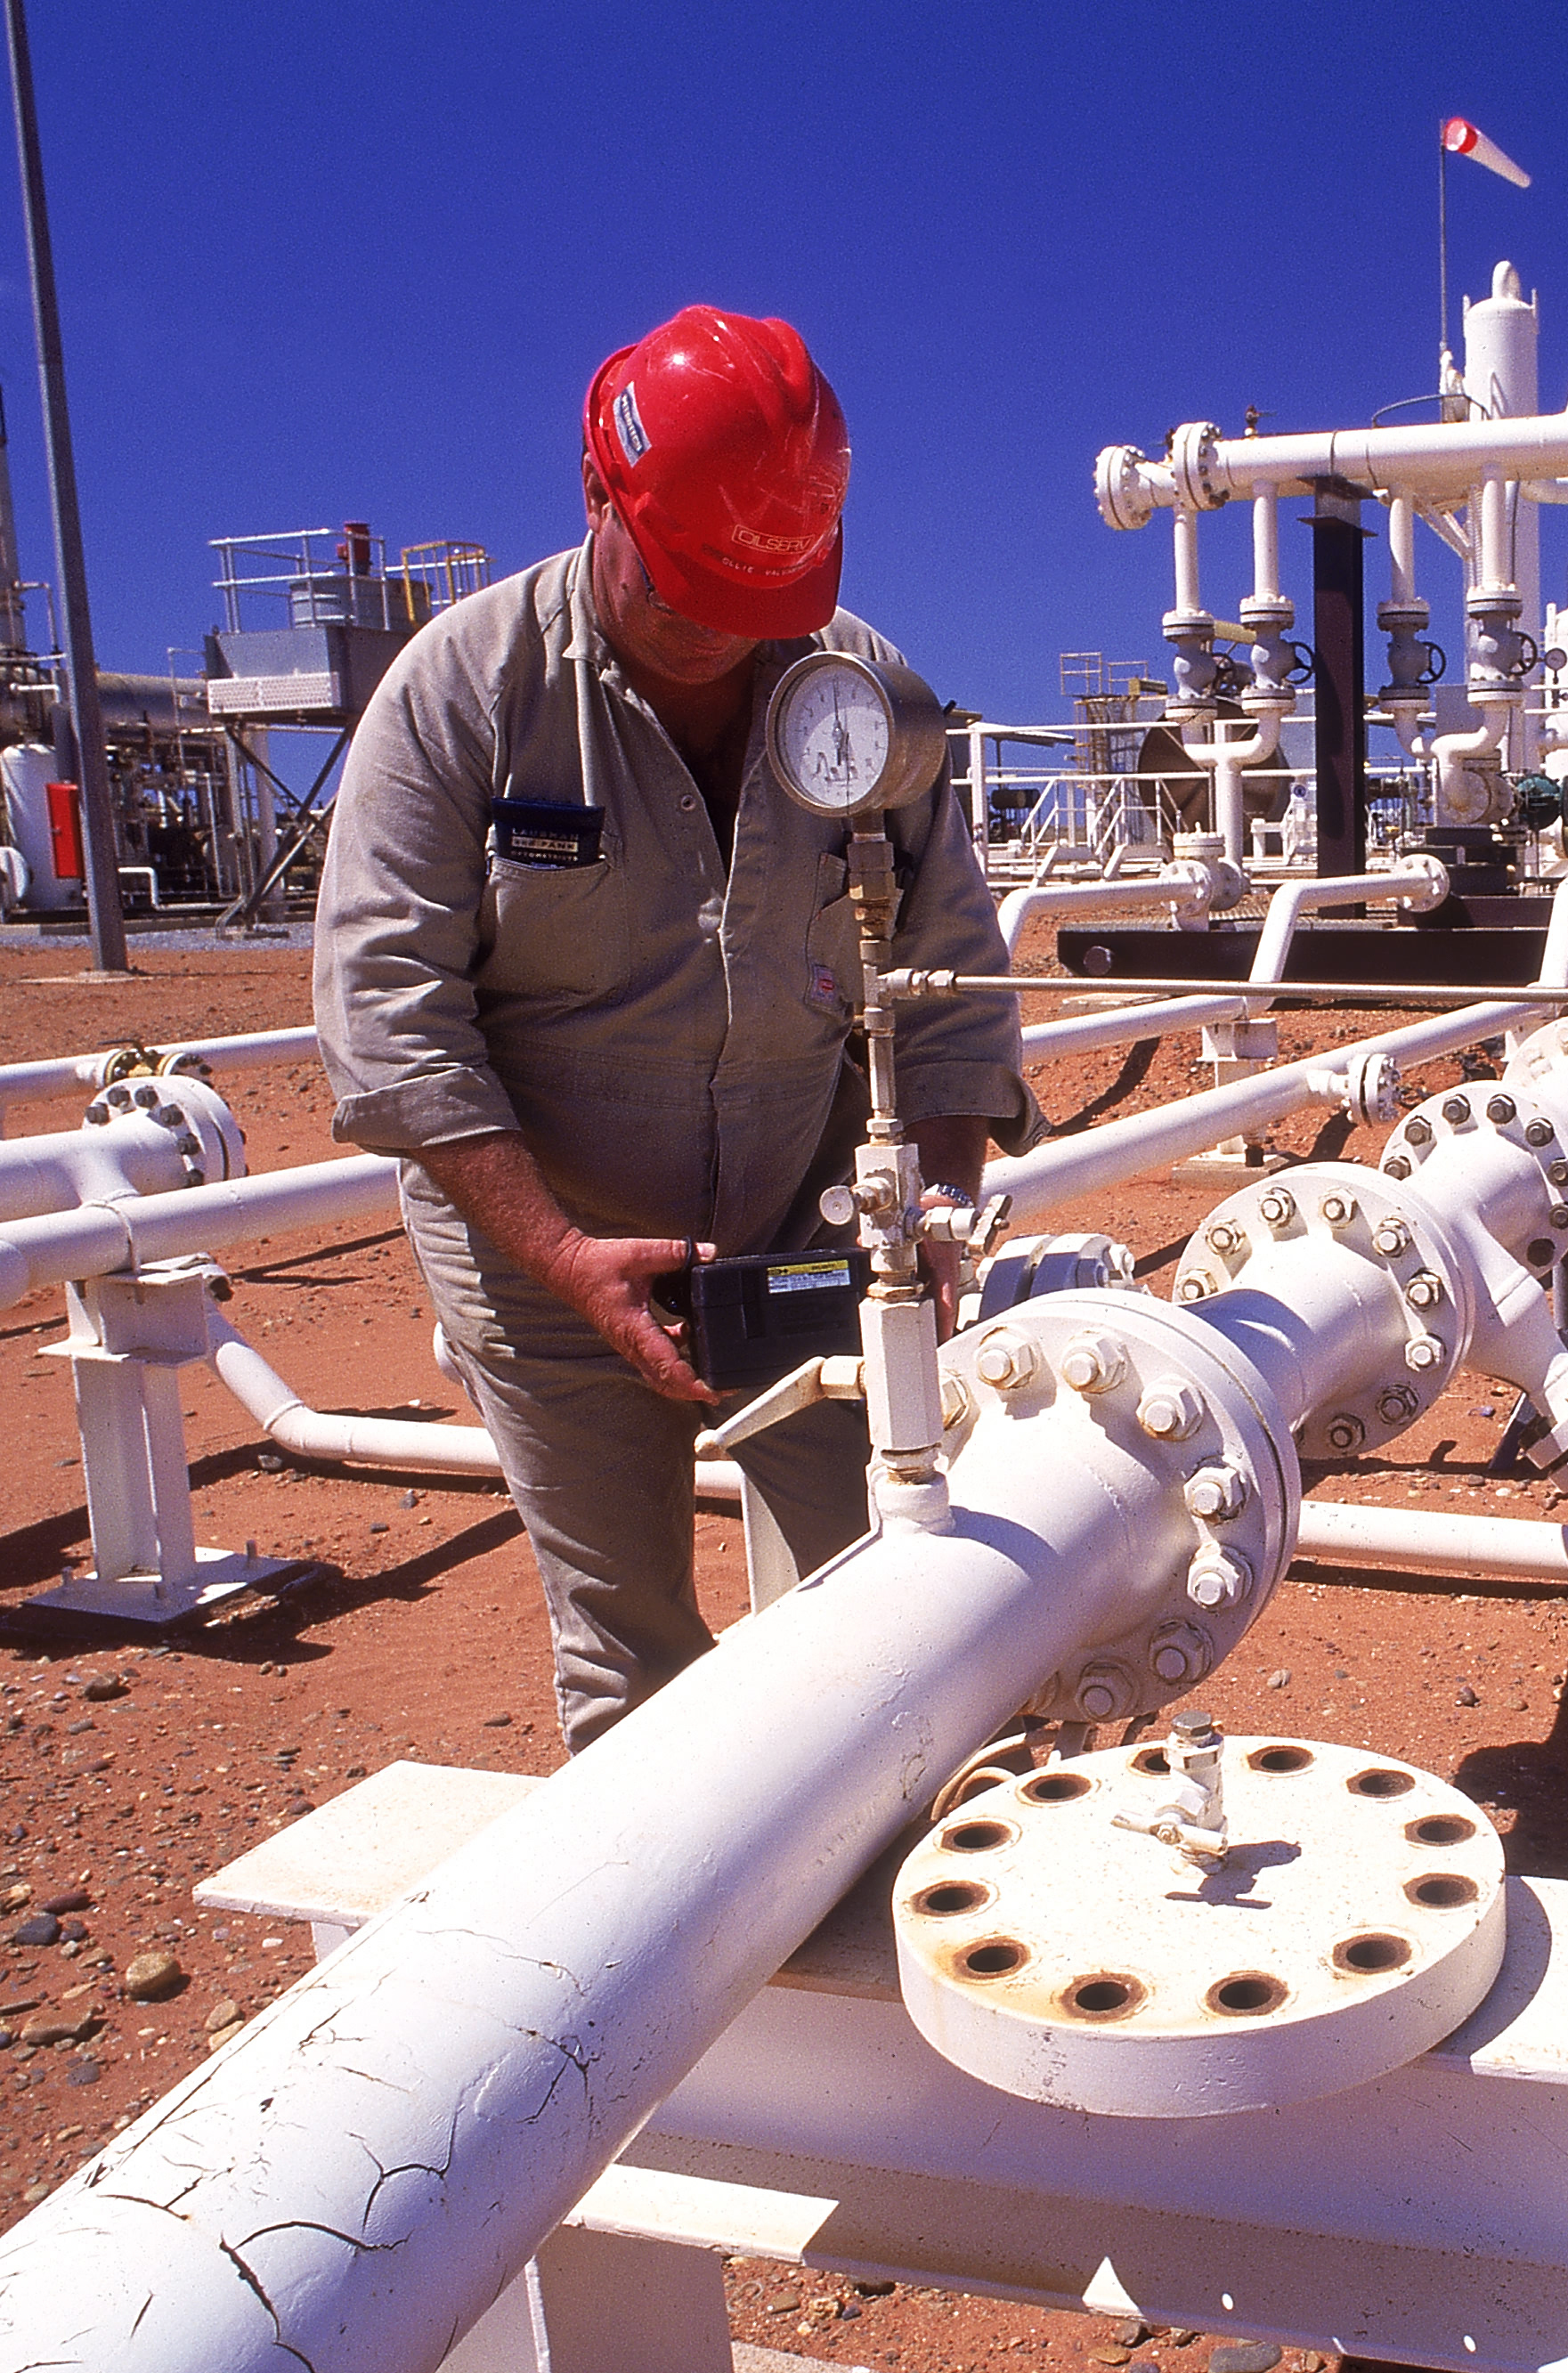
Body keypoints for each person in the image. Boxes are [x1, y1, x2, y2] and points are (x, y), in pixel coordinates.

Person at [313, 305, 1034, 1751]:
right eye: (690, 583)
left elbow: (948, 963)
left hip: (805, 1192)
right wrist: (566, 1259)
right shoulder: (463, 692)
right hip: (545, 1231)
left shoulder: (851, 685)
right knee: (628, 1637)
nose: (724, 632)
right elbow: (388, 1013)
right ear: (596, 493)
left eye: (760, 597)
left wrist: (940, 1207)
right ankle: (683, 1951)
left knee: (882, 1580)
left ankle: (868, 1866)